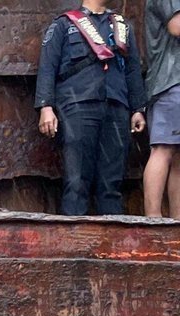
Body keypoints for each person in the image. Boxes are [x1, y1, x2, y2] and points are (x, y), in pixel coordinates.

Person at [37, 1, 147, 216]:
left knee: (112, 184)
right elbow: (48, 67)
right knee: (76, 181)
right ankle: (72, 235)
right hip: (78, 106)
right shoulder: (64, 24)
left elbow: (133, 69)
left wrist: (137, 108)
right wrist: (45, 106)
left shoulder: (122, 26)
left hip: (116, 106)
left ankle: (113, 235)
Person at [147, 0, 180, 216]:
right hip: (171, 82)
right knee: (163, 149)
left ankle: (177, 221)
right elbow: (177, 25)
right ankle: (152, 219)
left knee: (178, 156)